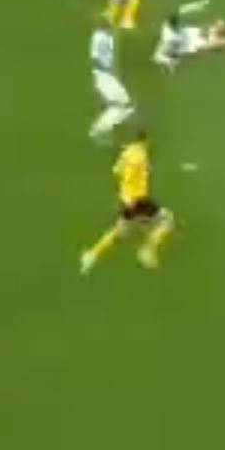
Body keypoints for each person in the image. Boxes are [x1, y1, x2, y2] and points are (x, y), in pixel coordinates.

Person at [79, 129, 175, 274]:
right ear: (144, 141)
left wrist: (126, 193)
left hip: (125, 200)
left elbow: (116, 171)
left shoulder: (126, 153)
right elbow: (134, 171)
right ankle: (148, 250)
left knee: (118, 232)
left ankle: (92, 255)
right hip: (138, 198)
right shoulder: (140, 155)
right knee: (167, 222)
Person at [88, 18, 134, 143]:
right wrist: (106, 71)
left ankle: (106, 126)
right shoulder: (99, 39)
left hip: (108, 75)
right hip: (104, 75)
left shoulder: (107, 37)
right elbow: (95, 59)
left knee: (125, 105)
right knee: (122, 105)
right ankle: (98, 130)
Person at [152, 0, 225, 72]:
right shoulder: (168, 38)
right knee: (212, 41)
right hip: (190, 42)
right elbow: (159, 56)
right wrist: (171, 62)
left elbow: (181, 10)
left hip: (189, 37)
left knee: (212, 34)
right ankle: (218, 39)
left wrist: (198, 5)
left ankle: (217, 37)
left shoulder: (168, 28)